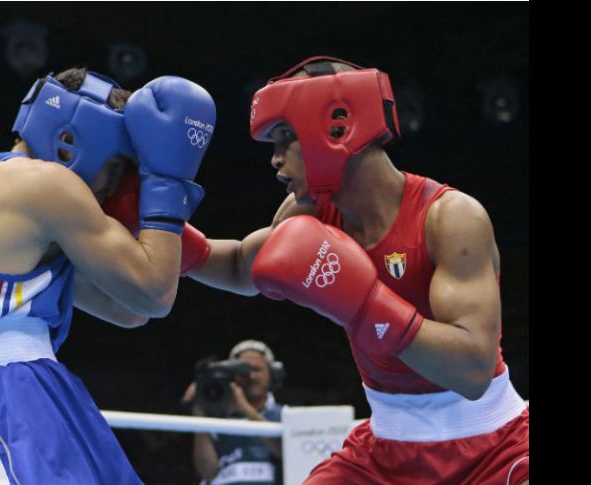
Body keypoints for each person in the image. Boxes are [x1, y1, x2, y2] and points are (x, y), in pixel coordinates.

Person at [176, 56, 529, 484]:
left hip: (493, 446)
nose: (275, 160)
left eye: (286, 138)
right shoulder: (309, 212)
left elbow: (472, 371)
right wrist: (159, 226)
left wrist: (367, 305)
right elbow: (236, 265)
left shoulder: (450, 218)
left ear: (336, 128)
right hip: (382, 451)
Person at [0, 66, 216, 484]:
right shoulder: (40, 183)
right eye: (115, 168)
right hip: (5, 399)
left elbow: (129, 310)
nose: (112, 188)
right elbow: (154, 293)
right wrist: (166, 181)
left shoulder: (12, 209)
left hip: (37, 392)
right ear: (69, 141)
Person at [181, 340, 285, 485]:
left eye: (258, 370)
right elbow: (208, 472)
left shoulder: (284, 415)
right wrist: (199, 412)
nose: (251, 376)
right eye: (245, 371)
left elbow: (285, 452)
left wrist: (246, 410)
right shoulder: (216, 417)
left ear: (272, 373)